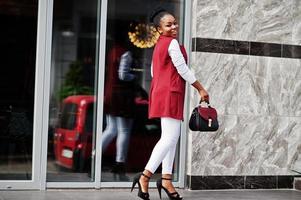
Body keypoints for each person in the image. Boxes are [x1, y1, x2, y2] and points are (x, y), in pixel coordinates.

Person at [131, 9, 209, 200]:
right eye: (168, 25)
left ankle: (166, 179)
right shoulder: (172, 43)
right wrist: (200, 88)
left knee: (171, 138)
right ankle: (145, 176)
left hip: (162, 92)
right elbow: (182, 69)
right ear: (159, 29)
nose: (174, 27)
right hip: (171, 93)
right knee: (169, 138)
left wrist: (165, 82)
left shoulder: (159, 45)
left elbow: (152, 72)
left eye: (174, 23)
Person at [102, 24, 136, 176]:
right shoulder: (126, 53)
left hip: (109, 94)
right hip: (121, 96)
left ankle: (94, 156)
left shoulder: (112, 51)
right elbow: (123, 75)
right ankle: (120, 162)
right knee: (124, 130)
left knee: (111, 129)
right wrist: (134, 76)